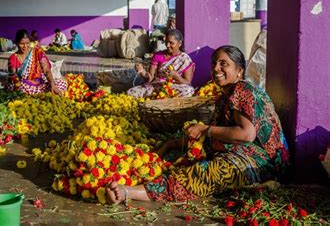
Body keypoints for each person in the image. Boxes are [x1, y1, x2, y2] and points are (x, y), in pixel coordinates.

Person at [106, 45, 289, 204]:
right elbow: (215, 135)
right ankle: (149, 172)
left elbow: (246, 134)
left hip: (261, 163)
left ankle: (128, 192)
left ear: (239, 71)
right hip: (239, 151)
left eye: (223, 64)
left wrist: (205, 129)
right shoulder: (225, 95)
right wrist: (171, 144)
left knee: (204, 173)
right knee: (180, 153)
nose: (216, 68)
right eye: (214, 63)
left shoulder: (243, 90)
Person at [127, 29, 195, 98]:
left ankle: (159, 97)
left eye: (171, 43)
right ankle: (161, 97)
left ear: (179, 43)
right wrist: (142, 72)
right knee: (131, 92)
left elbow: (187, 82)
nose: (168, 45)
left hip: (174, 87)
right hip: (157, 87)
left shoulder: (184, 59)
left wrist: (176, 76)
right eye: (166, 42)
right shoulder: (158, 55)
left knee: (188, 91)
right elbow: (150, 78)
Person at [7, 29, 68, 95]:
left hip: (40, 83)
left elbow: (47, 70)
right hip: (25, 86)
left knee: (61, 83)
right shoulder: (13, 58)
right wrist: (14, 83)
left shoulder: (37, 51)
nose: (25, 46)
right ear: (16, 42)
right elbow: (13, 78)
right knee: (18, 89)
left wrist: (52, 85)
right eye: (22, 44)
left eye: (27, 43)